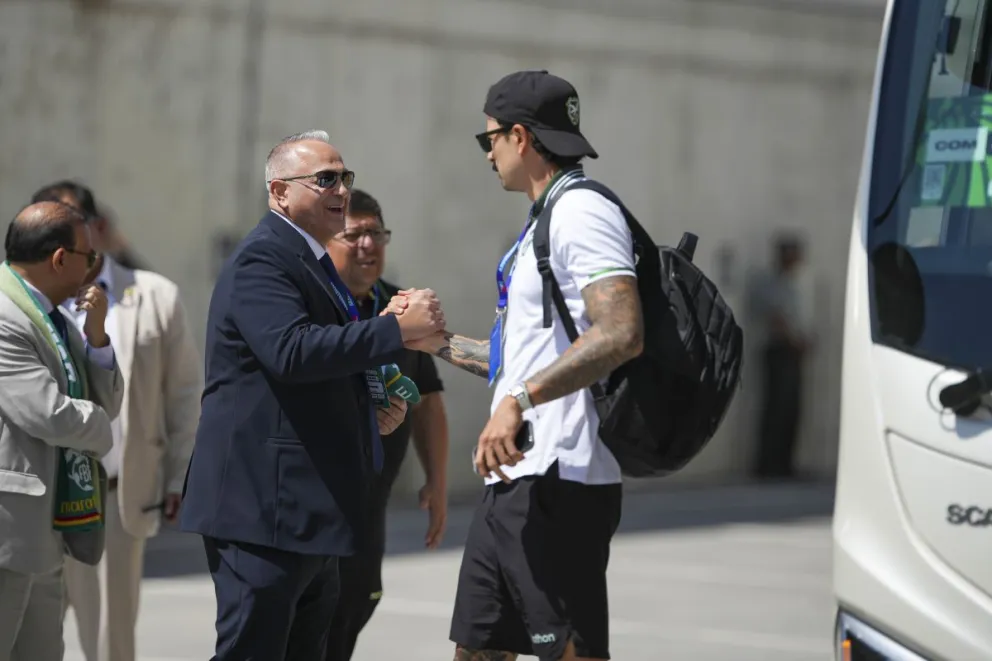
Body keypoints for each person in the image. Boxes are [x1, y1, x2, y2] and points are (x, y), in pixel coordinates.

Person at [388, 70, 644, 661]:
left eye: (490, 140)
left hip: (563, 480)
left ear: (521, 137)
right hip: (515, 480)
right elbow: (520, 363)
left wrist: (520, 401)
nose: (488, 155)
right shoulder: (542, 222)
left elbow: (623, 331)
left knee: (570, 652)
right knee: (477, 648)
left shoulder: (581, 212)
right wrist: (438, 343)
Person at [179, 130, 446, 661]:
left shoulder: (310, 259)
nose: (341, 189)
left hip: (306, 513)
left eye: (345, 177)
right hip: (264, 511)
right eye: (324, 178)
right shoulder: (263, 258)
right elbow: (292, 352)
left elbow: (307, 375)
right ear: (279, 192)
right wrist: (396, 331)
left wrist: (370, 413)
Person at [32, 181, 203, 661]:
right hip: (34, 499)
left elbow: (186, 393)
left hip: (113, 496)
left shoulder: (154, 296)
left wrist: (177, 475)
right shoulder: (22, 300)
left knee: (110, 640)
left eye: (64, 226)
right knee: (26, 629)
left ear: (97, 229)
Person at [324, 189, 451, 661]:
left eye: (375, 233)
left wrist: (436, 481)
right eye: (353, 234)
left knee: (353, 613)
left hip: (368, 513)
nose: (367, 245)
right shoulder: (316, 310)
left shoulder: (402, 309)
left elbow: (429, 401)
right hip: (316, 510)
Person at [0, 201, 124, 661]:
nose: (95, 268)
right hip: (8, 534)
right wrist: (102, 431)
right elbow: (49, 415)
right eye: (89, 257)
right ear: (59, 259)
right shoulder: (5, 315)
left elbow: (106, 402)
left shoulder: (56, 316)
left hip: (45, 532)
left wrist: (97, 337)